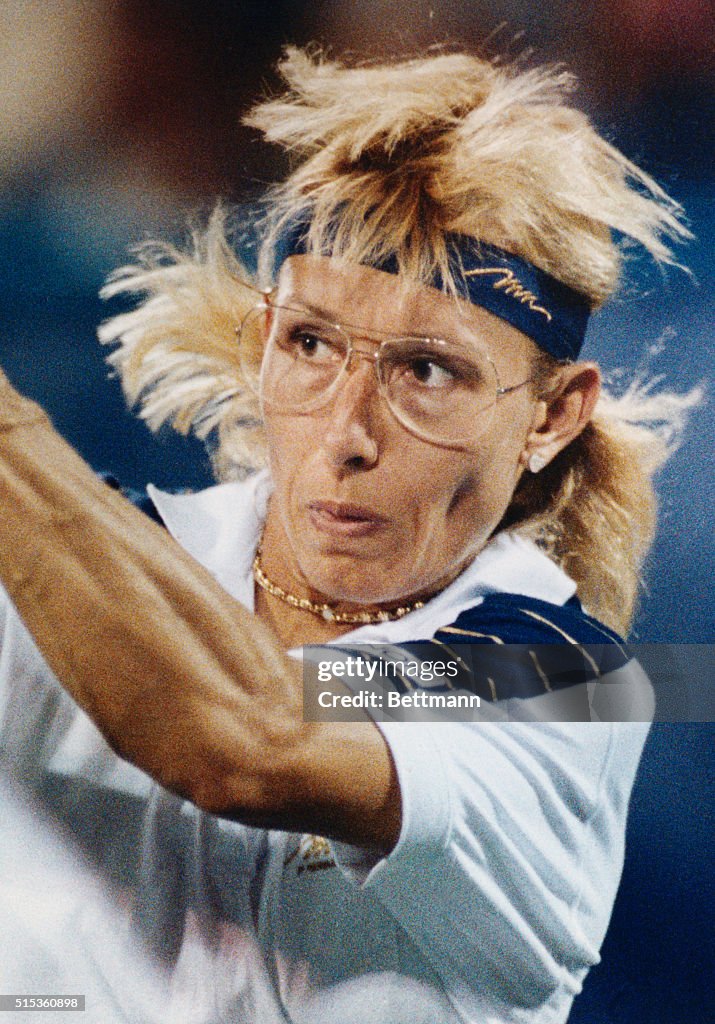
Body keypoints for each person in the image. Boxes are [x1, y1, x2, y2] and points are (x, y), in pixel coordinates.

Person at [0, 47, 698, 1023]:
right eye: (312, 345)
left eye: (429, 371)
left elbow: (250, 733)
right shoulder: (82, 556)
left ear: (551, 416)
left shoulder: (565, 681)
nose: (347, 432)